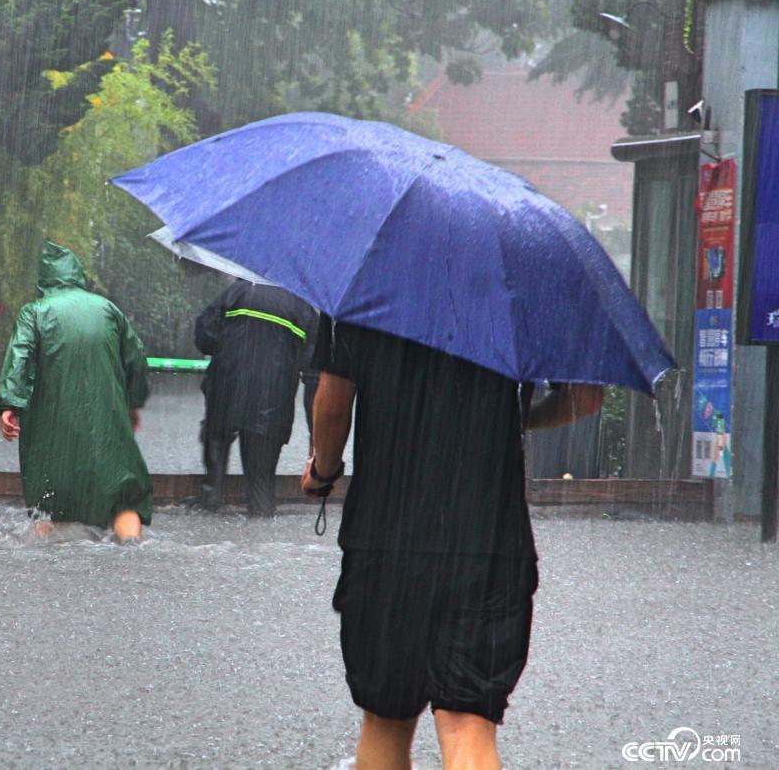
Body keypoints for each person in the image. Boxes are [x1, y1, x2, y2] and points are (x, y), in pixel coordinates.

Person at [301, 316, 602, 770]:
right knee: (467, 725)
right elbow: (586, 396)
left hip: (385, 539)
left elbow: (332, 405)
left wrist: (323, 471)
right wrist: (517, 418)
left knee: (386, 721)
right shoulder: (520, 287)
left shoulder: (364, 285)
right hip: (490, 541)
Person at [0, 241, 152, 542]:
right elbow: (136, 359)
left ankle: (45, 556)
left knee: (47, 501)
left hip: (52, 424)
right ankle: (132, 548)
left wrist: (10, 404)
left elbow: (20, 358)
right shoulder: (108, 309)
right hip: (106, 421)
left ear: (45, 279)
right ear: (78, 275)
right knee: (124, 497)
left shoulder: (35, 312)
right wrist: (132, 404)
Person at [195, 279, 317, 516]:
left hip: (224, 396)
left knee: (212, 482)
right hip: (272, 406)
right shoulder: (304, 308)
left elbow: (204, 337)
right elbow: (314, 373)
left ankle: (209, 505)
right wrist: (315, 438)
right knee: (261, 485)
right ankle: (259, 527)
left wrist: (233, 348)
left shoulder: (237, 292)